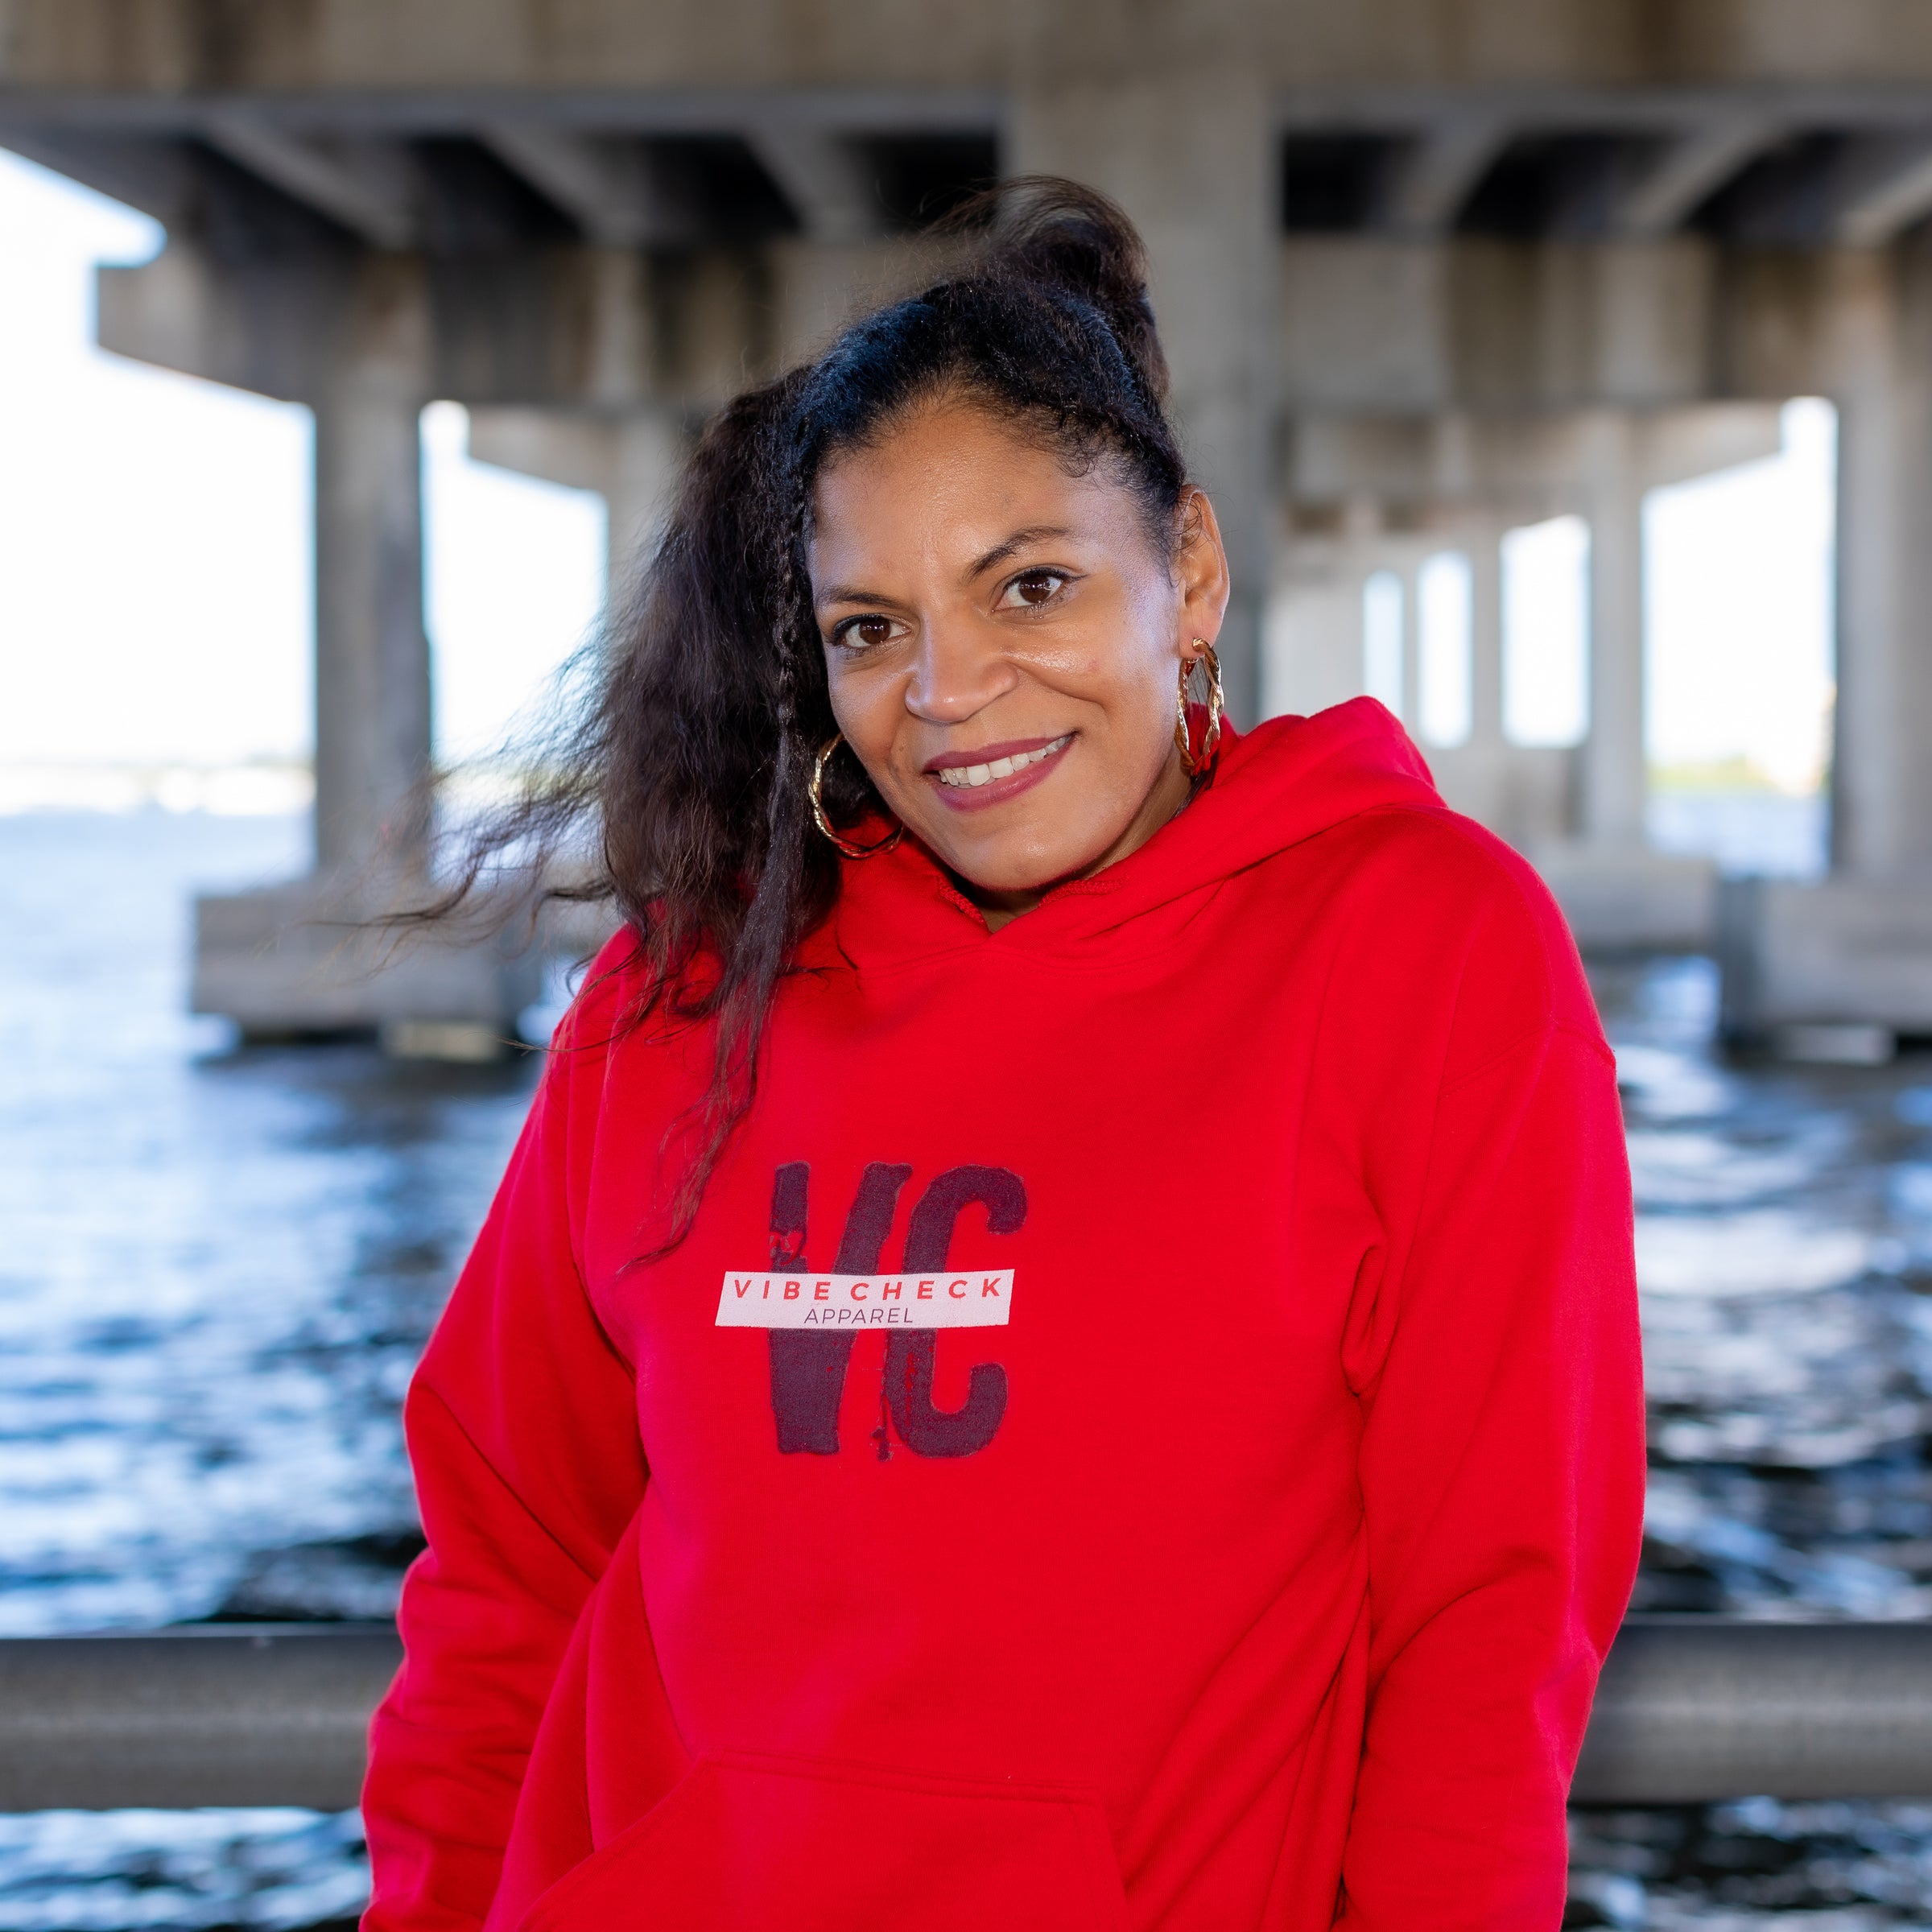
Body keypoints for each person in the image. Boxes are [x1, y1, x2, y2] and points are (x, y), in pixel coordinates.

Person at [361, 180, 1645, 1932]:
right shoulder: (684, 994)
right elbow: (506, 1565)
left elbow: (1491, 1621)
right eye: (873, 626)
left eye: (1028, 584)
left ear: (1187, 571)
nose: (948, 694)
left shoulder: (1419, 949)